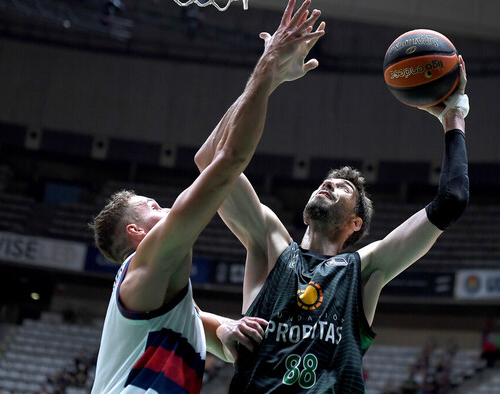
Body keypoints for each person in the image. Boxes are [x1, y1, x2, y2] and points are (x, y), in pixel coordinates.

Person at [195, 45, 470, 391]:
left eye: (343, 188)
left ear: (355, 223)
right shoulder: (271, 244)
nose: (328, 183)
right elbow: (210, 161)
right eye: (327, 181)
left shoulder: (364, 270)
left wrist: (454, 115)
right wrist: (267, 77)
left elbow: (451, 201)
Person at [89, 1, 325, 392]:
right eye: (152, 206)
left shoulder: (159, 293)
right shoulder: (147, 260)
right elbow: (228, 159)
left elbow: (195, 321)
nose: (165, 206)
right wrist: (267, 69)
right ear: (135, 232)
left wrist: (228, 330)